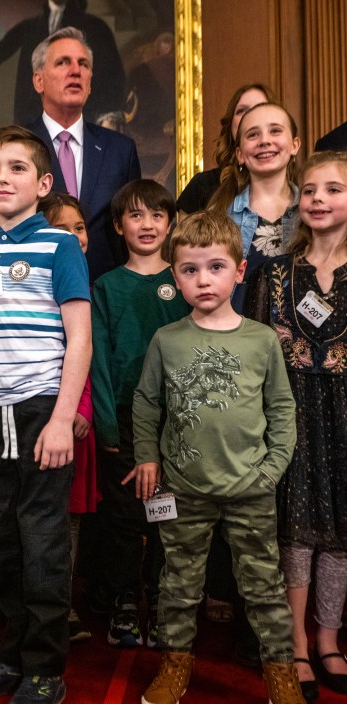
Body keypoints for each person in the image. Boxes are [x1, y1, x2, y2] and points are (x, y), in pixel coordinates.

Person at [127, 209, 304, 704]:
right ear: (175, 276)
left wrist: (271, 470)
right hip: (184, 488)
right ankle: (174, 663)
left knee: (265, 588)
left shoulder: (261, 339)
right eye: (189, 269)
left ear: (239, 270)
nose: (203, 279)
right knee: (179, 586)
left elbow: (282, 407)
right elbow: (146, 402)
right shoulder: (168, 340)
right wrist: (147, 457)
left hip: (251, 488)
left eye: (216, 267)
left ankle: (281, 674)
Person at [0, 125, 91, 704]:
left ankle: (45, 668)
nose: (1, 177)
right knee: (0, 538)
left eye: (15, 168)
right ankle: (10, 656)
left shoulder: (59, 245)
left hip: (40, 410)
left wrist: (62, 418)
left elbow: (79, 338)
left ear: (42, 183)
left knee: (42, 540)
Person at [244, 150, 347, 702]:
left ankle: (330, 639)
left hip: (346, 419)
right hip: (291, 416)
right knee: (295, 531)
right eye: (309, 190)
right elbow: (258, 354)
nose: (319, 200)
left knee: (339, 535)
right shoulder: (275, 272)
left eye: (333, 189)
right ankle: (295, 647)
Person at [88, 180, 189, 650]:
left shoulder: (185, 281)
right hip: (125, 421)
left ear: (170, 223)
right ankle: (124, 602)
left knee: (168, 515)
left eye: (156, 215)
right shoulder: (105, 287)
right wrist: (107, 425)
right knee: (125, 517)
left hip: (179, 423)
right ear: (117, 225)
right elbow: (99, 361)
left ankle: (164, 601)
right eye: (135, 216)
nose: (147, 225)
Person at [24, 27, 140, 283]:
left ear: (90, 83)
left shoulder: (121, 150)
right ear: (38, 80)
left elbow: (133, 231)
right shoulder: (16, 146)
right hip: (35, 292)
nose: (75, 70)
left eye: (83, 64)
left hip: (106, 296)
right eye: (63, 62)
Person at [38, 192, 97, 644]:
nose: (74, 237)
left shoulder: (91, 284)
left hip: (77, 415)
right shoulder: (41, 279)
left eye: (79, 228)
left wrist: (80, 409)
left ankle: (66, 605)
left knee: (72, 518)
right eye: (62, 229)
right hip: (43, 408)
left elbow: (90, 355)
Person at [0, 0, 125, 126]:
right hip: (32, 112)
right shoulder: (31, 26)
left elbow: (112, 71)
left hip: (78, 114)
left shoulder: (94, 27)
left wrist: (109, 114)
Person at [208, 101, 301, 312]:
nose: (265, 141)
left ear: (295, 145)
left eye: (275, 131)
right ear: (240, 154)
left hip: (300, 339)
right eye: (253, 135)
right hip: (236, 338)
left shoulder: (314, 212)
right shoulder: (219, 214)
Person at [177, 84, 274, 216]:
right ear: (230, 126)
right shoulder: (202, 186)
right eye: (241, 111)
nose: (250, 116)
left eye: (260, 108)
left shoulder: (299, 189)